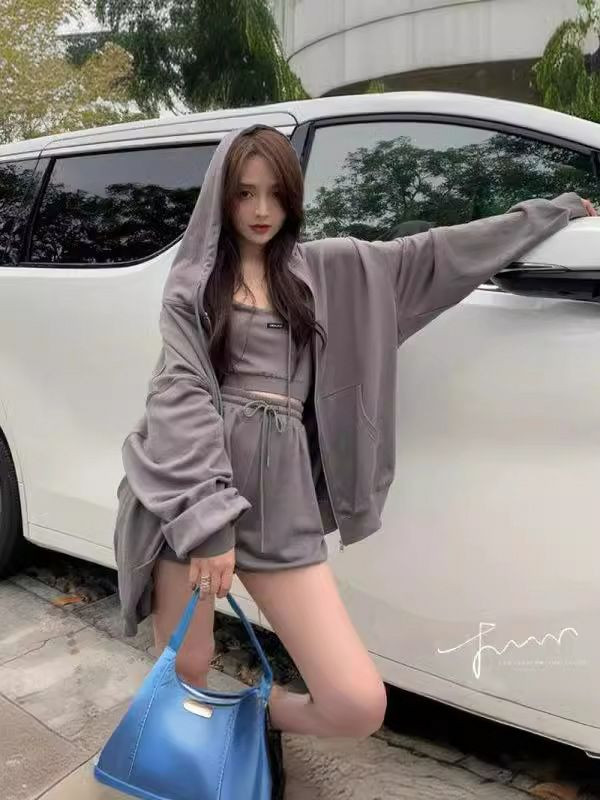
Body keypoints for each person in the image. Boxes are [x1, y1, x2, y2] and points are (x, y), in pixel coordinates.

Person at [114, 124, 597, 744]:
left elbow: (437, 254)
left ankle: (241, 721)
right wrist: (207, 524)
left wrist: (552, 213)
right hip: (191, 499)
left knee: (355, 704)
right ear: (221, 196)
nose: (261, 210)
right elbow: (180, 396)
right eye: (244, 193)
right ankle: (193, 752)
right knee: (186, 669)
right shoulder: (193, 286)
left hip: (281, 508)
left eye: (276, 193)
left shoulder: (332, 270)